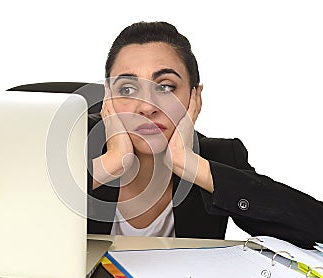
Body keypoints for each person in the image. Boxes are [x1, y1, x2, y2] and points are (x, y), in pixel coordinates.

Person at [86, 21, 323, 249]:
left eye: (165, 87)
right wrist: (112, 162)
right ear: (108, 97)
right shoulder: (74, 142)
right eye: (127, 89)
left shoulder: (218, 156)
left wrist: (190, 165)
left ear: (194, 96)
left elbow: (315, 227)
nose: (147, 107)